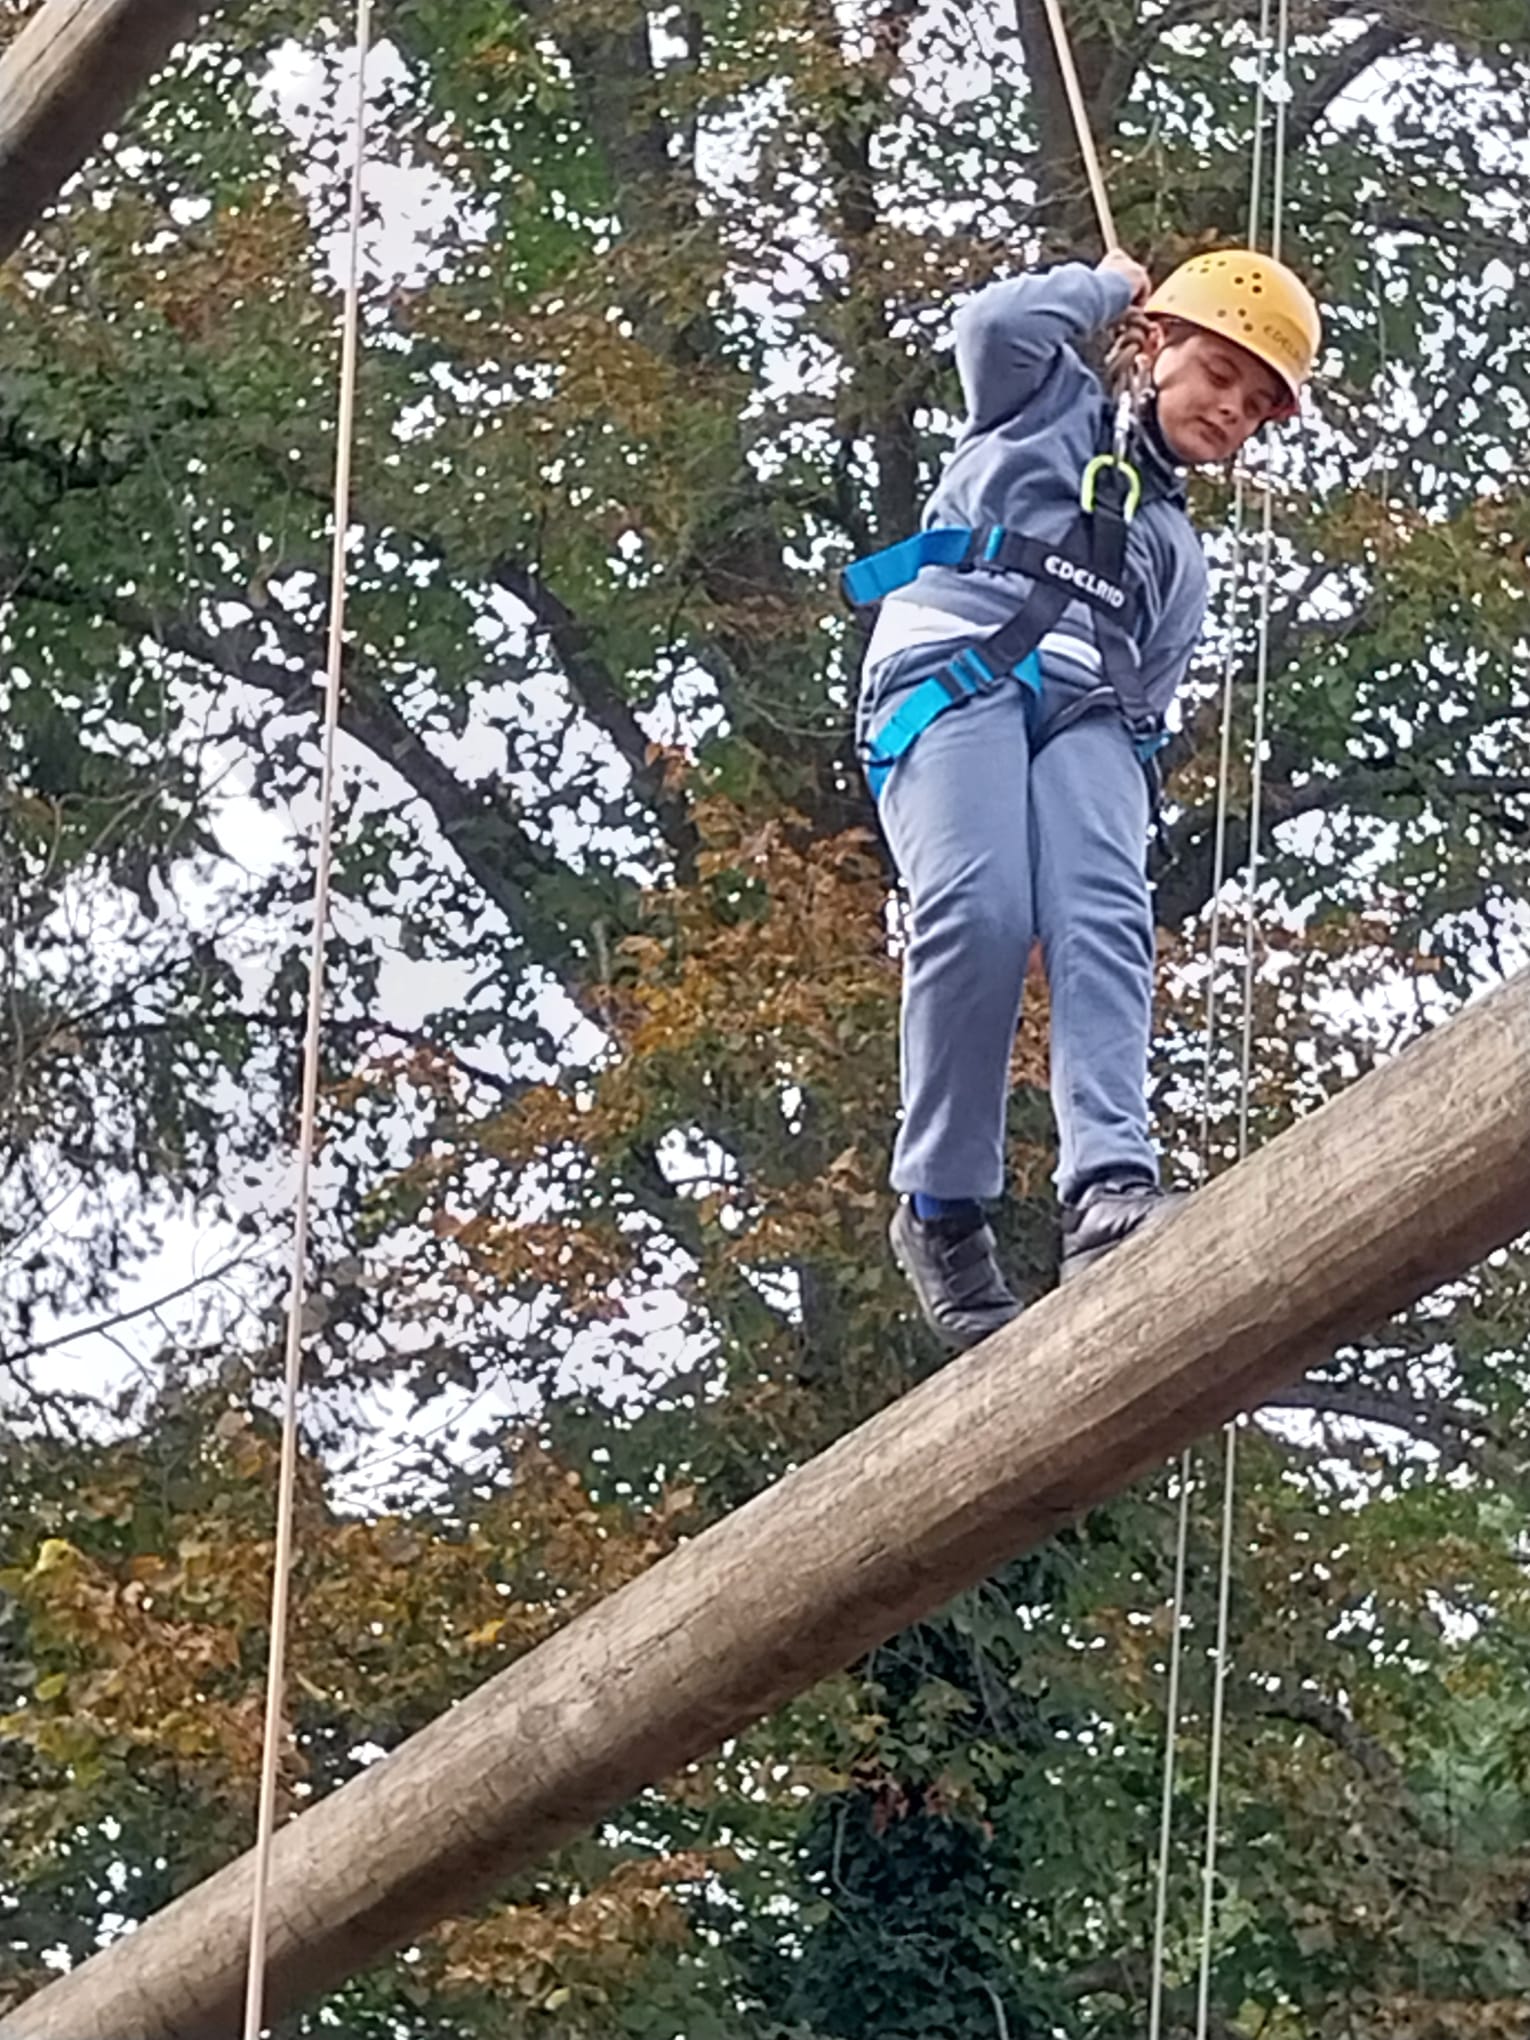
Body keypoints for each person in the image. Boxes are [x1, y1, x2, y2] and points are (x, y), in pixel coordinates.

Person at [845, 247, 1322, 1350]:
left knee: (1104, 913)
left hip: (1090, 709)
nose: (1230, 413)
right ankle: (942, 1203)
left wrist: (1108, 774)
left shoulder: (1177, 551)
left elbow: (1147, 689)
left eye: (1253, 408)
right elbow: (991, 327)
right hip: (956, 664)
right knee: (981, 910)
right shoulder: (1044, 402)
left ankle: (1109, 1183)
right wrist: (1107, 285)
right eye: (1215, 375)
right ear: (1153, 349)